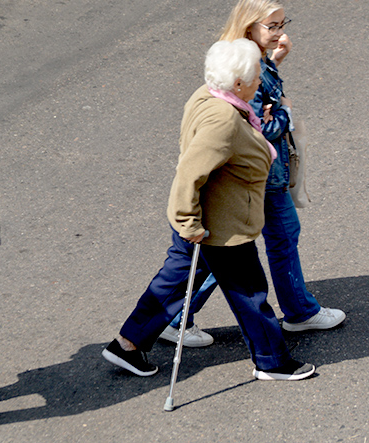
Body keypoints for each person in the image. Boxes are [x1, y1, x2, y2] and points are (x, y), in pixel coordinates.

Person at [102, 38, 315, 381]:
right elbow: (190, 172)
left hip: (204, 217)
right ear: (239, 84)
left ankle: (127, 344)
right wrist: (188, 223)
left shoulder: (207, 95)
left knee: (173, 283)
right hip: (219, 225)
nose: (260, 82)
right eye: (256, 77)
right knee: (249, 293)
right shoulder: (224, 120)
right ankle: (272, 361)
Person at [159, 0, 344, 347]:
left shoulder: (249, 59)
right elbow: (259, 127)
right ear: (249, 26)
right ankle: (299, 312)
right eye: (272, 26)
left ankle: (180, 316)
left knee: (240, 250)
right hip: (258, 175)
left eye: (282, 22)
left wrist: (276, 61)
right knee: (272, 240)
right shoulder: (247, 68)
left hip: (254, 175)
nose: (280, 31)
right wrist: (286, 115)